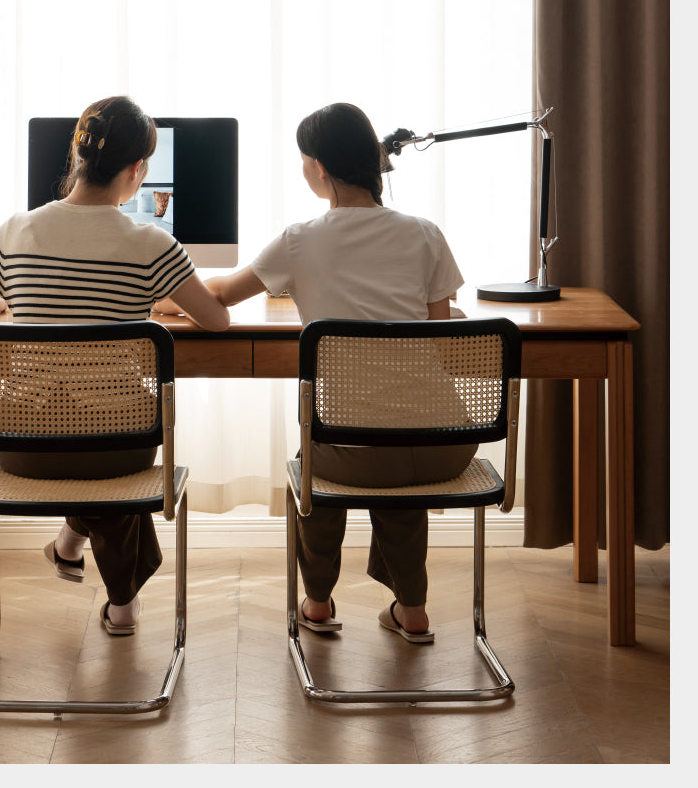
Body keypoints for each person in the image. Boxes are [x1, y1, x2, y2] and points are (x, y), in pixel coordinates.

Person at [155, 102, 476, 643]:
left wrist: (167, 302)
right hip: (447, 443)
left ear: (320, 169)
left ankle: (319, 603)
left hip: (354, 449)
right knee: (397, 443)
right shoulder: (426, 233)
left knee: (321, 457)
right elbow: (439, 343)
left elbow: (220, 296)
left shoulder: (301, 239)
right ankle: (412, 610)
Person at [0, 95, 230, 635]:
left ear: (77, 155)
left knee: (83, 426)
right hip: (120, 442)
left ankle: (72, 549)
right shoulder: (151, 242)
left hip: (24, 447)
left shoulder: (13, 231)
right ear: (137, 171)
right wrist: (157, 300)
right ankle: (120, 603)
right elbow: (216, 321)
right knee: (109, 438)